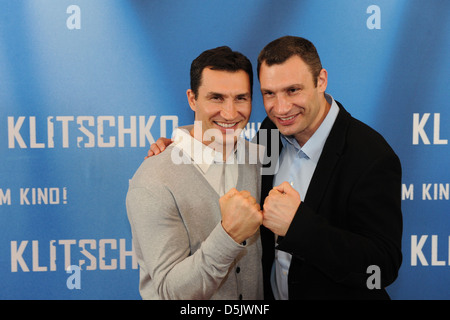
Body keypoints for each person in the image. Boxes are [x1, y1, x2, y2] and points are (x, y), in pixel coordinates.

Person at [148, 36, 403, 300]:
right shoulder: (271, 132)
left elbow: (381, 267)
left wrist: (299, 227)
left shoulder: (371, 155)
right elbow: (224, 150)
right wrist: (177, 146)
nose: (281, 108)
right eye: (269, 93)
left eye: (293, 90)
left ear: (321, 81)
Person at [126, 46, 264, 300]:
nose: (231, 113)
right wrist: (229, 235)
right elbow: (170, 292)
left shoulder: (260, 160)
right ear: (192, 99)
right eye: (217, 98)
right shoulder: (153, 180)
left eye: (241, 98)